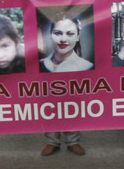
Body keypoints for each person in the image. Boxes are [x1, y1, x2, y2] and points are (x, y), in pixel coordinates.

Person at [38, 12, 92, 156]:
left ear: (78, 36)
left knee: (72, 106)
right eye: (57, 33)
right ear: (50, 35)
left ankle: (73, 141)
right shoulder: (40, 65)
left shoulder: (86, 66)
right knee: (48, 106)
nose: (63, 39)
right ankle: (51, 141)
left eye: (70, 33)